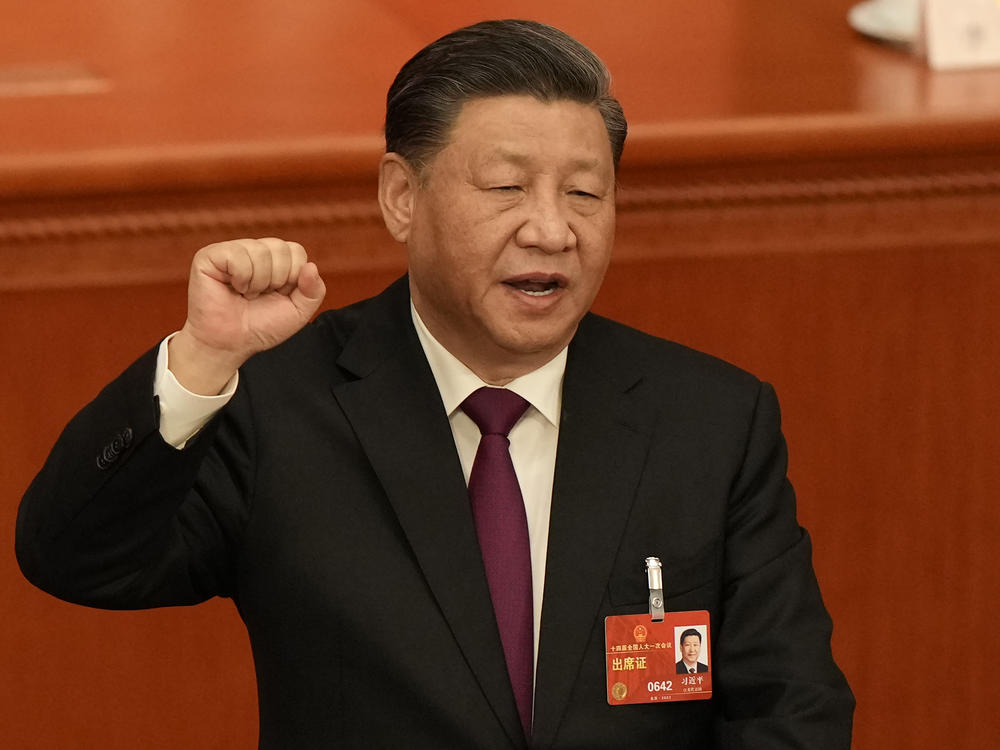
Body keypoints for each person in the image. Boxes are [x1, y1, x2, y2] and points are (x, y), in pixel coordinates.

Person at [16, 19, 854, 749]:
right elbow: (75, 559)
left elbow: (790, 704)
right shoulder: (282, 406)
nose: (553, 229)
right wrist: (201, 360)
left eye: (586, 193)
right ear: (400, 198)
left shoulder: (709, 419)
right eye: (506, 188)